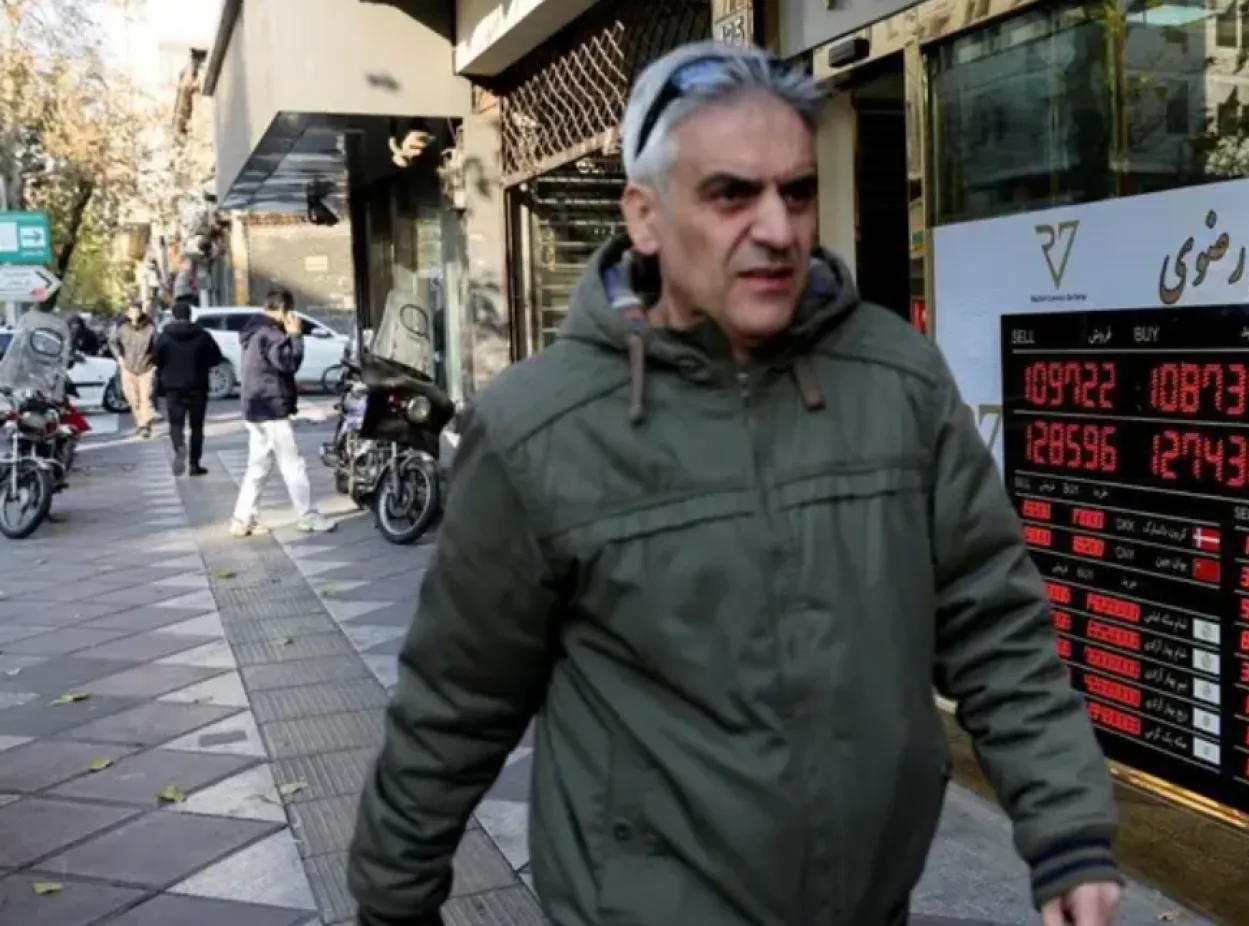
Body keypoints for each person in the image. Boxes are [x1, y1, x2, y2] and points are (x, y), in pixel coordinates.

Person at [347, 41, 1121, 926]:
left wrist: (1066, 828)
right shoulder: (538, 427)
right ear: (644, 216)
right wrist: (393, 902)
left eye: (796, 190)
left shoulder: (897, 377)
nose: (779, 229)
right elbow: (456, 700)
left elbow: (993, 622)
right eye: (731, 194)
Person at [228, 289, 334, 536]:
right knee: (292, 464)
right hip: (271, 406)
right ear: (284, 309)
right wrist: (295, 336)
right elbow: (288, 363)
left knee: (259, 465)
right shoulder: (270, 334)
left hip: (254, 406)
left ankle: (242, 519)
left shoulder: (253, 331)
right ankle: (307, 515)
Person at [154, 300, 223, 477]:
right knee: (197, 427)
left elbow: (156, 359)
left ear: (174, 315)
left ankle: (179, 448)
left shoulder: (164, 336)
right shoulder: (203, 335)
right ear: (190, 315)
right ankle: (194, 464)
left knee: (176, 424)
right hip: (198, 385)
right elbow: (216, 357)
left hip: (173, 387)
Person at [108, 302, 157, 438]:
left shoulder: (150, 327)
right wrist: (119, 357)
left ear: (141, 312)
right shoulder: (122, 327)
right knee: (133, 399)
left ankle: (145, 425)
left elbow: (157, 345)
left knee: (145, 397)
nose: (134, 314)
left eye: (136, 311)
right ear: (128, 313)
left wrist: (155, 361)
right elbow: (112, 342)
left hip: (146, 367)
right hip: (128, 367)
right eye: (131, 311)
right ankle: (141, 422)